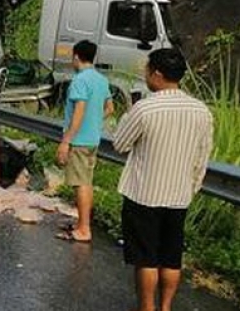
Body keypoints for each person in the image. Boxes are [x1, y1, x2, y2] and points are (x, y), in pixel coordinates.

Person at [113, 49, 213, 311]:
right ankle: (166, 307)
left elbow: (120, 144)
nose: (145, 74)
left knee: (145, 259)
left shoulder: (145, 108)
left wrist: (127, 114)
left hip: (144, 194)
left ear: (157, 74)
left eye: (147, 69)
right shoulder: (201, 110)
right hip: (179, 196)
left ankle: (147, 308)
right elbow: (202, 156)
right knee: (171, 258)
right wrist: (191, 188)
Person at [56, 40, 113, 243]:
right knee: (86, 182)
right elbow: (110, 108)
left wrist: (66, 141)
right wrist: (95, 121)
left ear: (76, 56)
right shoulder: (101, 80)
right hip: (93, 140)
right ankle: (82, 224)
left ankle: (84, 229)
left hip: (79, 141)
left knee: (80, 184)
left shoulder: (79, 80)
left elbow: (79, 111)